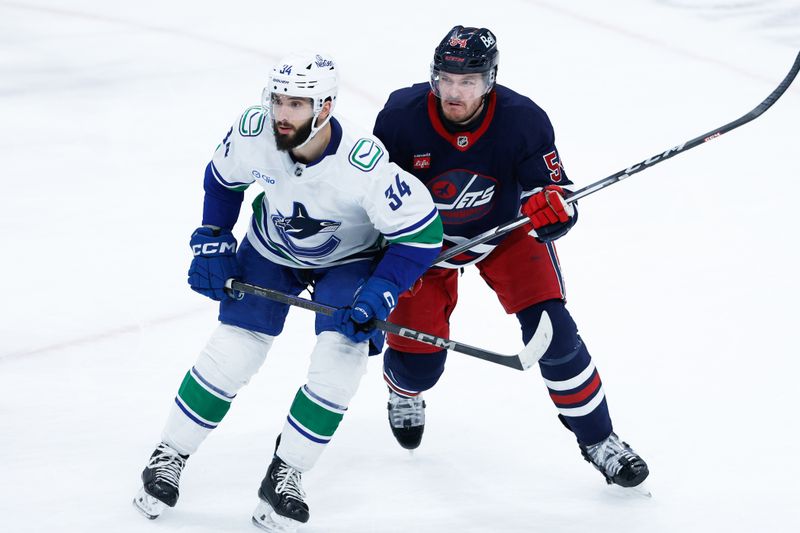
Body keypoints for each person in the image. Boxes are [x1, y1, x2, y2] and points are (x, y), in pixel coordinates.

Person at [132, 52, 443, 532]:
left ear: (325, 107)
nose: (282, 113)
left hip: (350, 258)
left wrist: (382, 289)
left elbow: (421, 233)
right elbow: (222, 179)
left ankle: (287, 473)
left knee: (341, 359)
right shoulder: (256, 132)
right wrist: (213, 234)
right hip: (272, 247)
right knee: (233, 351)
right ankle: (168, 454)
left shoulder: (364, 162)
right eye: (279, 99)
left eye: (297, 103)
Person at [372, 26, 649, 489]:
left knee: (555, 335)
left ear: (490, 80)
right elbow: (374, 193)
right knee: (418, 364)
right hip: (423, 244)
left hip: (505, 234)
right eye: (446, 79)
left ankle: (600, 440)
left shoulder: (523, 119)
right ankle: (405, 391)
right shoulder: (401, 116)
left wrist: (556, 208)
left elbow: (554, 189)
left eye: (469, 82)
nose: (454, 92)